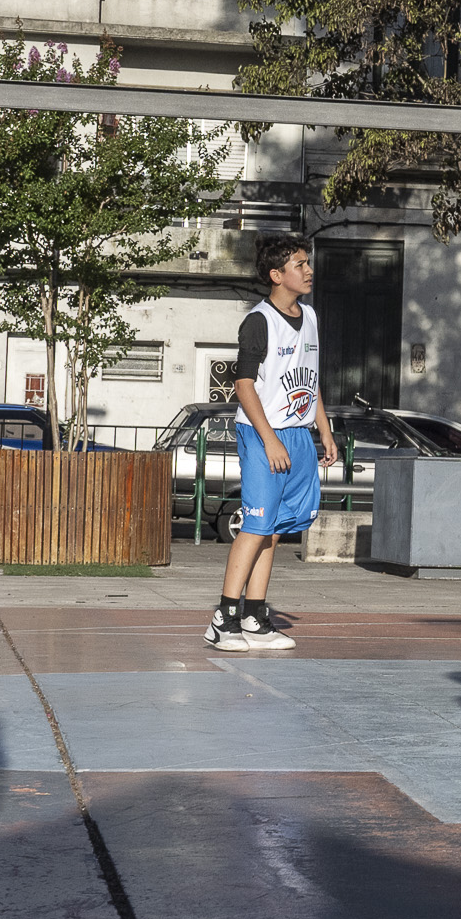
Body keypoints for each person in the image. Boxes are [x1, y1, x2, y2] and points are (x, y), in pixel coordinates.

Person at [205, 235, 339, 651]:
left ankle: (254, 617)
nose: (309, 270)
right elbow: (243, 386)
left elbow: (310, 380)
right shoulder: (259, 321)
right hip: (264, 432)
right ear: (276, 275)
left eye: (308, 263)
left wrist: (325, 429)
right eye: (300, 264)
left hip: (298, 433)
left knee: (276, 530)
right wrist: (269, 440)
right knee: (256, 525)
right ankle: (223, 618)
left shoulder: (312, 317)